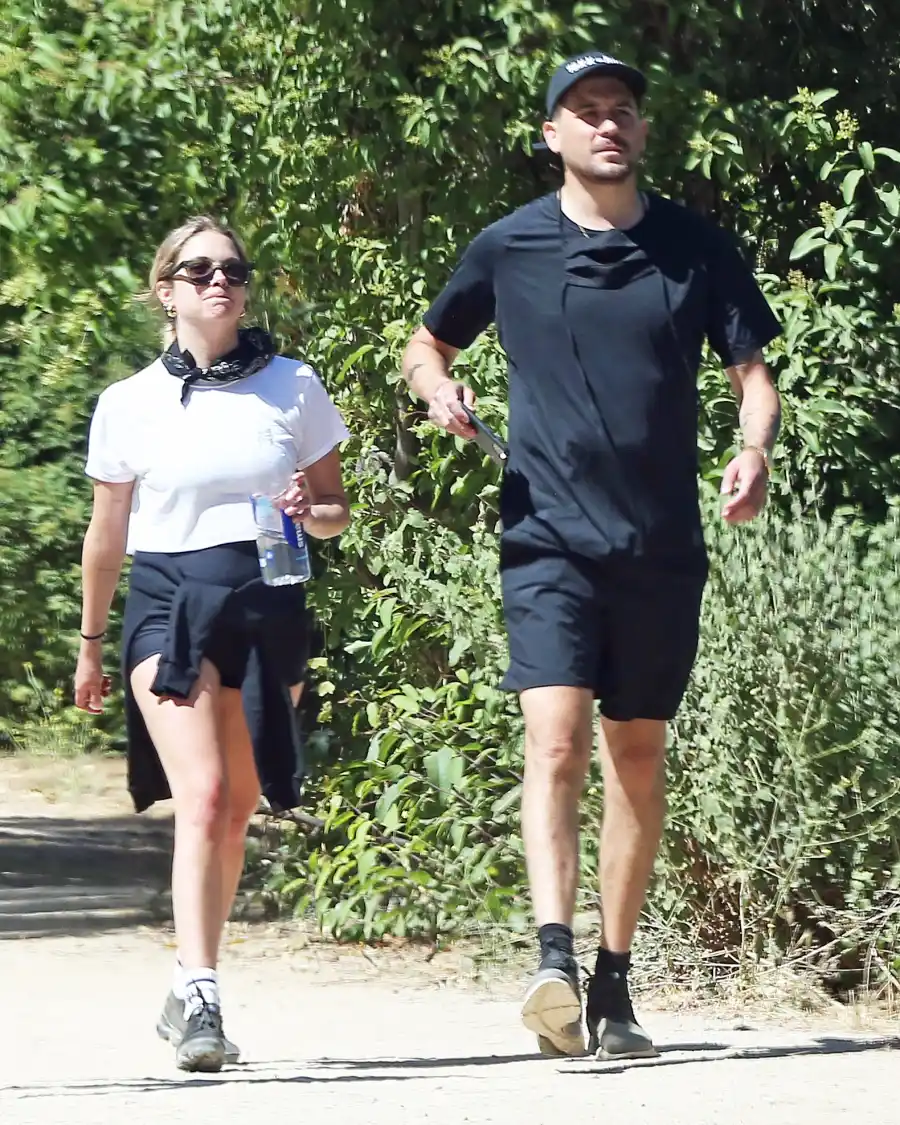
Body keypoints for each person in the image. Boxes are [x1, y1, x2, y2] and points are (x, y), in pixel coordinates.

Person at [402, 51, 781, 1060]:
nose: (607, 125)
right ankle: (552, 960)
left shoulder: (694, 248)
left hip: (660, 544)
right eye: (586, 112)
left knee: (638, 757)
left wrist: (752, 454)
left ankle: (613, 984)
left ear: (641, 133)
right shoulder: (510, 245)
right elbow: (426, 344)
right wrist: (439, 390)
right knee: (556, 741)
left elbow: (754, 375)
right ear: (552, 135)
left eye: (622, 111)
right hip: (544, 534)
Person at [74, 216, 350, 1072]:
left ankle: (191, 976)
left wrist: (317, 511)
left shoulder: (294, 385)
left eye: (232, 269)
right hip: (168, 605)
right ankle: (201, 993)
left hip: (269, 603)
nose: (219, 281)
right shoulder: (127, 401)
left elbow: (337, 514)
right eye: (198, 270)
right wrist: (90, 642)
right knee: (205, 794)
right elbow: (107, 531)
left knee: (236, 807)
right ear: (168, 290)